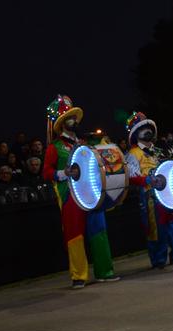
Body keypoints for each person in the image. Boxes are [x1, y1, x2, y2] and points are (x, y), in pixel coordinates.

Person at [43, 94, 120, 289]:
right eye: (69, 117)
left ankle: (105, 271)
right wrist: (64, 172)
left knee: (99, 231)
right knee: (74, 235)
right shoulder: (55, 147)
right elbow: (46, 172)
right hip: (71, 196)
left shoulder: (85, 144)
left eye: (74, 117)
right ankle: (79, 275)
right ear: (62, 123)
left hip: (92, 192)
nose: (74, 120)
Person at [124, 111, 173, 269]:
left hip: (169, 194)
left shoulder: (160, 150)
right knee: (155, 229)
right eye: (142, 128)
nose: (147, 130)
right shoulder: (132, 154)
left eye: (149, 127)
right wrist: (147, 180)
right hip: (150, 197)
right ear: (135, 133)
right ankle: (158, 260)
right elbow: (130, 177)